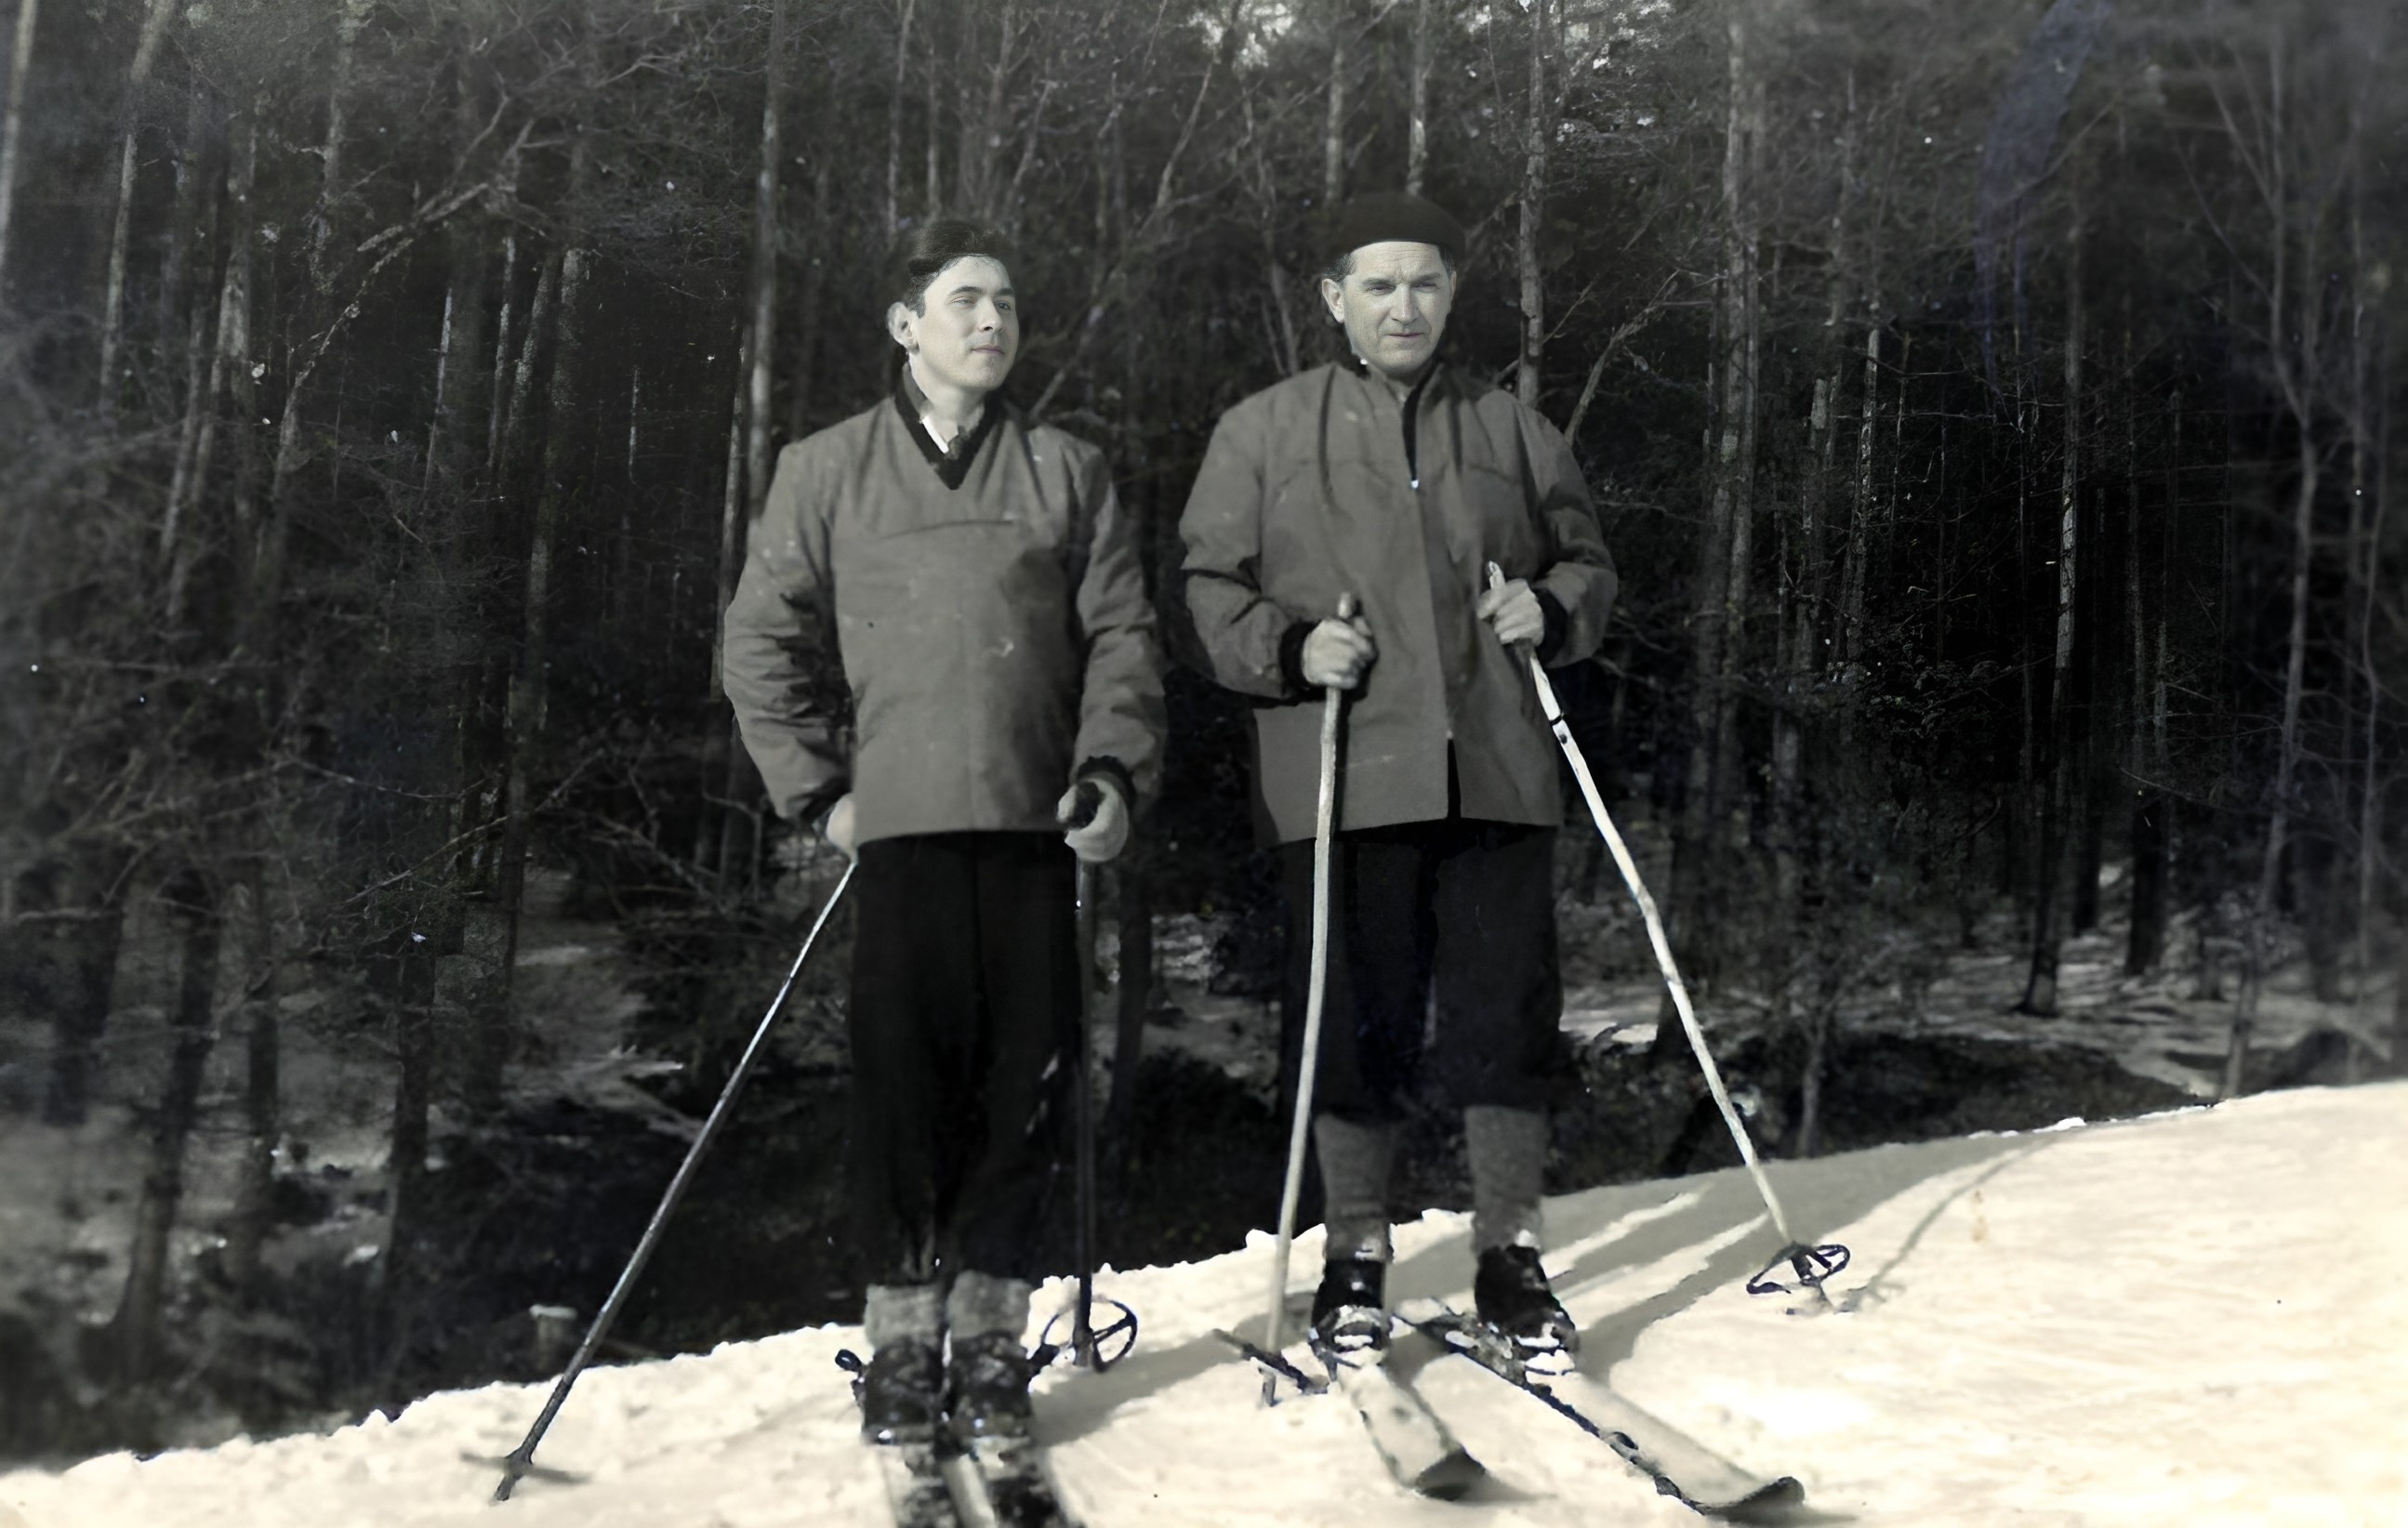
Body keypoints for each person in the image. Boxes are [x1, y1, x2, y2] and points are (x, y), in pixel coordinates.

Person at [721, 220, 1164, 1444]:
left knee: (1023, 1084)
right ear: (904, 324)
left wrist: (1110, 773)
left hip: (1034, 829)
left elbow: (1123, 640)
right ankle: (905, 1346)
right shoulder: (827, 469)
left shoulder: (1065, 470)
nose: (992, 322)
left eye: (1007, 303)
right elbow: (757, 642)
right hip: (903, 836)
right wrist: (820, 794)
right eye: (966, 300)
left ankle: (990, 1340)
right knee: (904, 1090)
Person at [1177, 191, 1617, 1362]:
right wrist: (1288, 648)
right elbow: (1208, 588)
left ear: (1451, 293)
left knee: (1504, 1019)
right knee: (1352, 1022)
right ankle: (1355, 1254)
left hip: (1494, 765)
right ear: (1335, 299)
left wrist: (1552, 605)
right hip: (1343, 770)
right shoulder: (1262, 431)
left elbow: (1586, 562)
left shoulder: (1515, 430)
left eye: (1424, 282)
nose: (1403, 306)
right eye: (1377, 285)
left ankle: (1508, 1254)